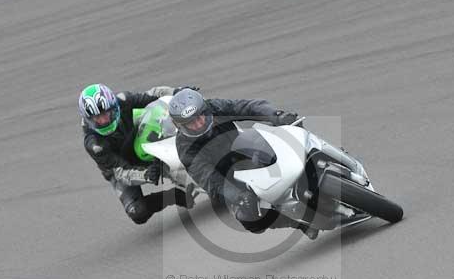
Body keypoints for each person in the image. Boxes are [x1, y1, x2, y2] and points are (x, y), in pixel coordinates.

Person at [169, 88, 317, 238]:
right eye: (191, 123)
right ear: (181, 126)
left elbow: (246, 107)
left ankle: (329, 157)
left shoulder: (214, 107)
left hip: (245, 150)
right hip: (229, 177)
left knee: (289, 141)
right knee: (249, 218)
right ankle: (300, 224)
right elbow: (208, 178)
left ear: (204, 109)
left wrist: (275, 116)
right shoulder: (185, 147)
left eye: (200, 116)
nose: (199, 124)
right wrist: (237, 196)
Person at [79, 83, 195, 224]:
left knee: (157, 114)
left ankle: (196, 144)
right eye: (97, 118)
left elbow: (152, 94)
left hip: (137, 139)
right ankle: (173, 196)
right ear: (89, 119)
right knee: (137, 212)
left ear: (113, 107)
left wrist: (178, 92)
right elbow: (120, 172)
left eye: (105, 114)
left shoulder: (123, 100)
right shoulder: (94, 144)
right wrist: (146, 174)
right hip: (120, 167)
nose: (104, 121)